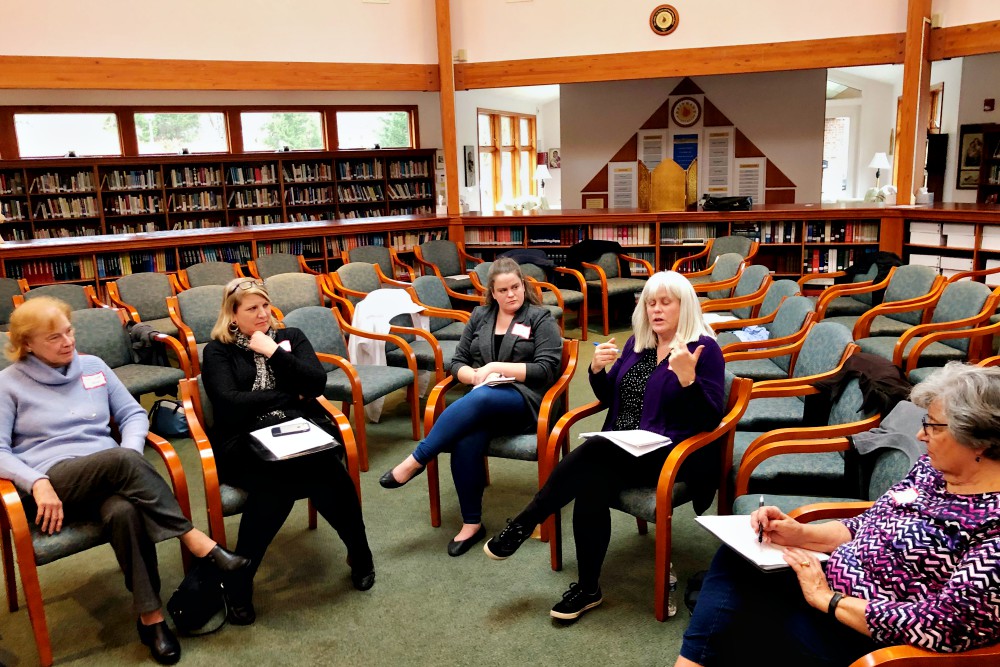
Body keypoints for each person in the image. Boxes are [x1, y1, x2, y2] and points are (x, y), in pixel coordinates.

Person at [674, 362, 1000, 667]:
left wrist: (826, 599)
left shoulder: (993, 533)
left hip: (866, 633)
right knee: (737, 558)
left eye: (933, 426)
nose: (920, 435)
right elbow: (864, 526)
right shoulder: (933, 471)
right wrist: (798, 533)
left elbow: (940, 625)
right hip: (831, 585)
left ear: (980, 442)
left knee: (735, 623)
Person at [0, 297, 251, 665]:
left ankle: (151, 620)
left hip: (112, 475)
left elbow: (133, 414)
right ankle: (198, 542)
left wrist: (130, 455)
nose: (68, 341)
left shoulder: (93, 367)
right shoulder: (8, 383)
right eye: (54, 337)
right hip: (53, 482)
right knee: (120, 461)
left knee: (123, 512)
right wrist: (36, 482)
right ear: (27, 344)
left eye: (69, 331)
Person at [484, 270, 725, 620]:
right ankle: (588, 588)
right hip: (624, 448)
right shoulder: (638, 344)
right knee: (591, 486)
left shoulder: (705, 350)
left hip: (675, 453)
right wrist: (597, 371)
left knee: (596, 453)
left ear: (683, 306)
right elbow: (612, 397)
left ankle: (525, 522)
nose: (656, 310)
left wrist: (688, 379)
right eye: (650, 303)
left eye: (665, 303)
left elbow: (709, 420)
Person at [201, 278, 375, 625]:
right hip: (243, 441)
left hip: (298, 432)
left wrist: (272, 351)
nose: (264, 314)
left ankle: (360, 553)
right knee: (277, 484)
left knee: (330, 471)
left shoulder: (290, 337)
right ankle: (241, 581)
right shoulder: (217, 351)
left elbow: (315, 384)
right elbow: (229, 405)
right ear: (232, 316)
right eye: (252, 309)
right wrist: (288, 396)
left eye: (265, 305)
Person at [379, 257, 563, 556]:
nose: (511, 295)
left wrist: (492, 366)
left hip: (526, 402)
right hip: (485, 398)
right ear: (492, 291)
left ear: (523, 285)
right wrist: (474, 374)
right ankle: (472, 524)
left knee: (479, 398)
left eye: (515, 287)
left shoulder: (540, 318)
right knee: (466, 437)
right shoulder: (480, 315)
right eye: (503, 290)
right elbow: (457, 362)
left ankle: (417, 459)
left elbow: (547, 369)